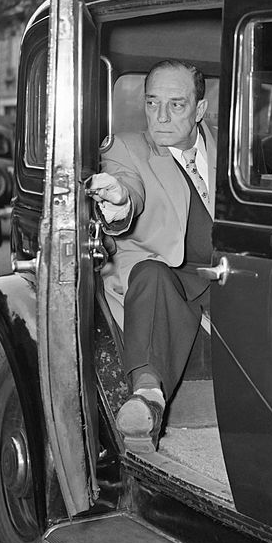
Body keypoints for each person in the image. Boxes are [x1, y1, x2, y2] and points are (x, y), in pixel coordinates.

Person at [85, 59, 214, 452]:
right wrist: (118, 200)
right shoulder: (126, 147)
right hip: (165, 287)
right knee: (152, 272)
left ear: (200, 110)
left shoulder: (236, 149)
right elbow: (127, 191)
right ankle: (147, 398)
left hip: (232, 283)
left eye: (175, 104)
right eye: (152, 102)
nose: (160, 116)